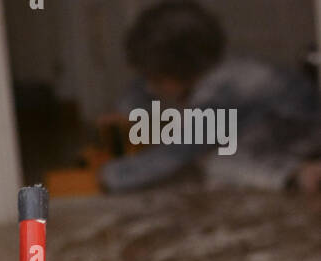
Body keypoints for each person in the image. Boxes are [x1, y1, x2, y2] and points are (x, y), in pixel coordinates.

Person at [99, 1, 321, 193]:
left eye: (155, 78)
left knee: (215, 163)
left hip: (300, 140)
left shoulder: (221, 92)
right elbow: (140, 89)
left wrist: (110, 176)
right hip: (276, 124)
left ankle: (296, 174)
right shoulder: (222, 69)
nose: (150, 86)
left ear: (177, 68)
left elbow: (176, 154)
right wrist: (126, 111)